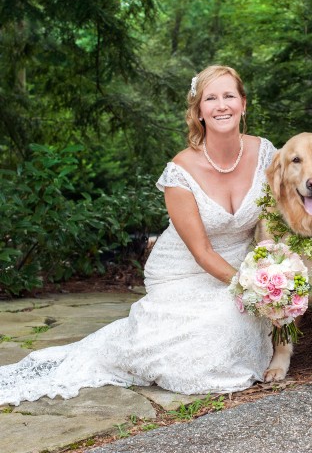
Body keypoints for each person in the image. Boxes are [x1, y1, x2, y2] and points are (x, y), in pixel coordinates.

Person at [0, 65, 275, 406]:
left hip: (242, 265)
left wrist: (274, 272)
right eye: (211, 98)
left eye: (229, 96)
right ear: (199, 111)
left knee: (232, 323)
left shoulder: (265, 153)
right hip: (186, 272)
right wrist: (253, 287)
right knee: (215, 336)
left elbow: (272, 221)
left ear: (243, 104)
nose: (221, 105)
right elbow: (202, 253)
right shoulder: (180, 172)